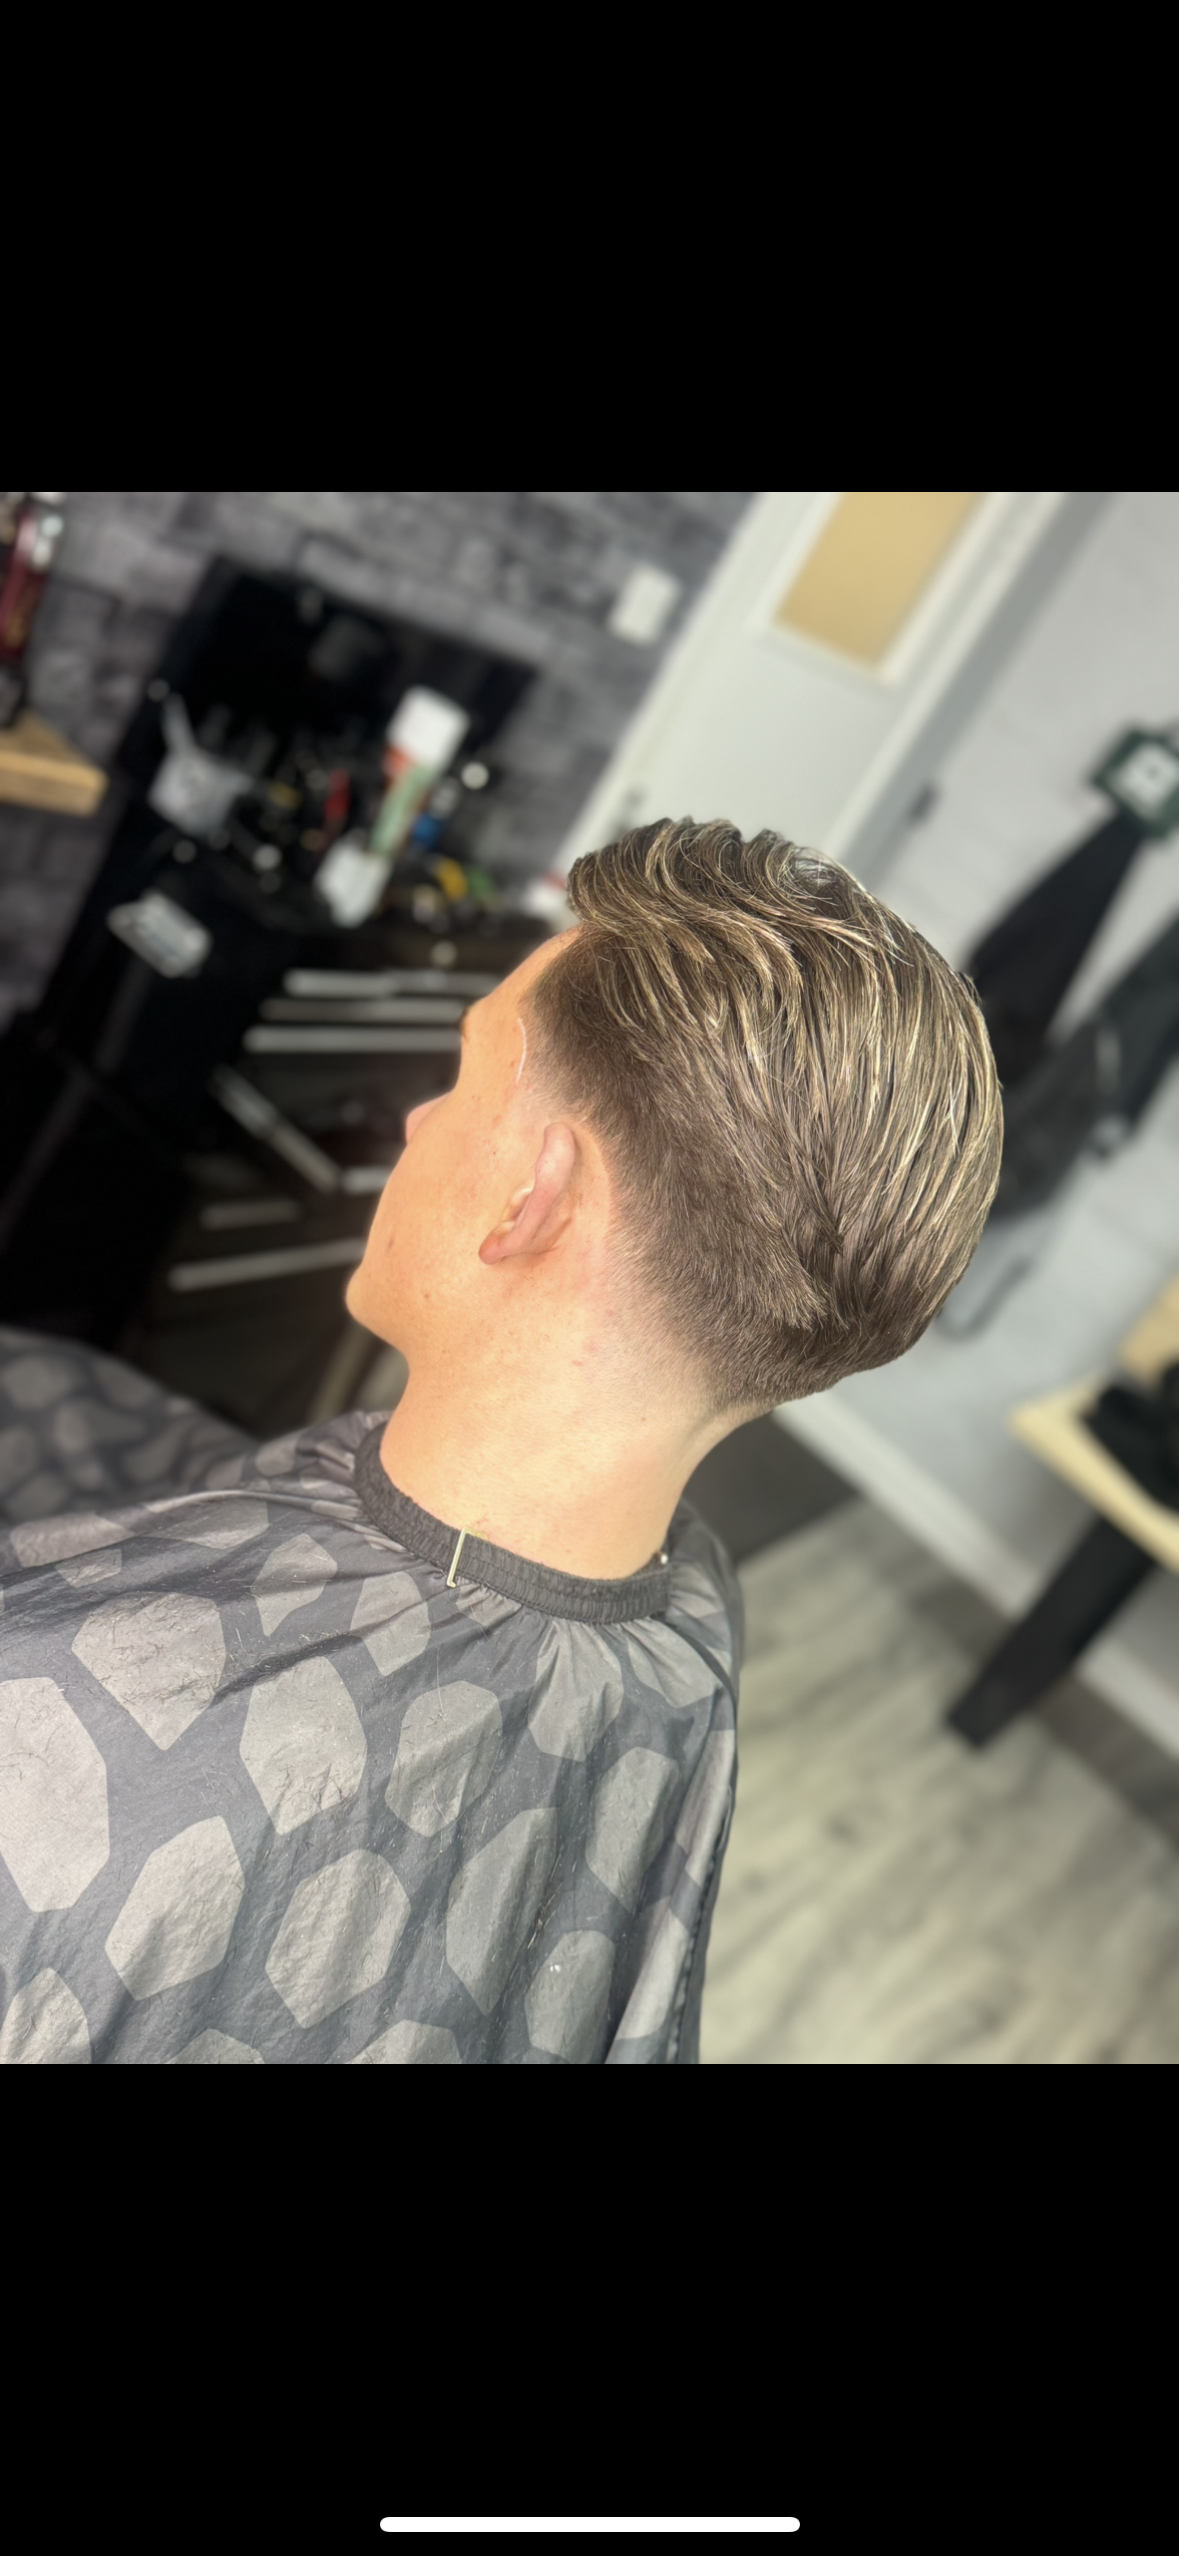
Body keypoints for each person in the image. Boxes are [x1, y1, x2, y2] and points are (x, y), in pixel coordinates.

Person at [0, 820, 1002, 2065]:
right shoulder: (694, 1620)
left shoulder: (54, 1742)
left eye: (466, 1073)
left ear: (535, 1197)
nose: (418, 1119)